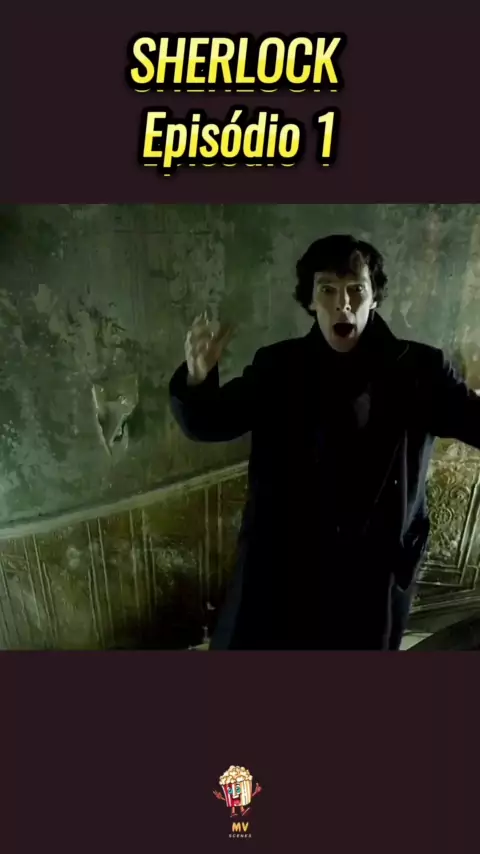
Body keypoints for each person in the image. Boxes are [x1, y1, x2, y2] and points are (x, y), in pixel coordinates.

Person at [169, 234, 480, 650]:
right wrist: (197, 378)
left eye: (356, 290)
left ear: (374, 298)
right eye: (328, 290)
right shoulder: (279, 367)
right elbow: (210, 422)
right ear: (311, 301)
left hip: (371, 573)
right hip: (287, 566)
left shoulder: (422, 370)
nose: (342, 304)